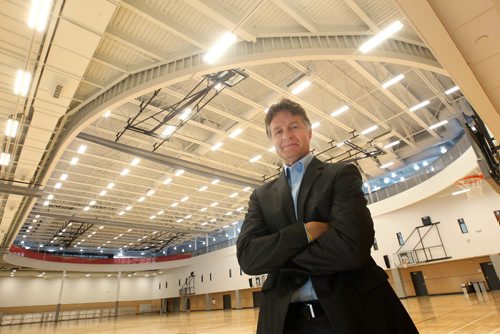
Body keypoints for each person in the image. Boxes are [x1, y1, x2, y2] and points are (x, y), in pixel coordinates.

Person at [236, 99, 418, 334]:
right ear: (271, 140)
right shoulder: (261, 196)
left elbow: (351, 248)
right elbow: (249, 258)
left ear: (309, 132)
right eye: (277, 131)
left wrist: (278, 259)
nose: (286, 135)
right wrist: (306, 232)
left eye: (294, 126)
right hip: (286, 323)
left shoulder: (340, 175)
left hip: (349, 313)